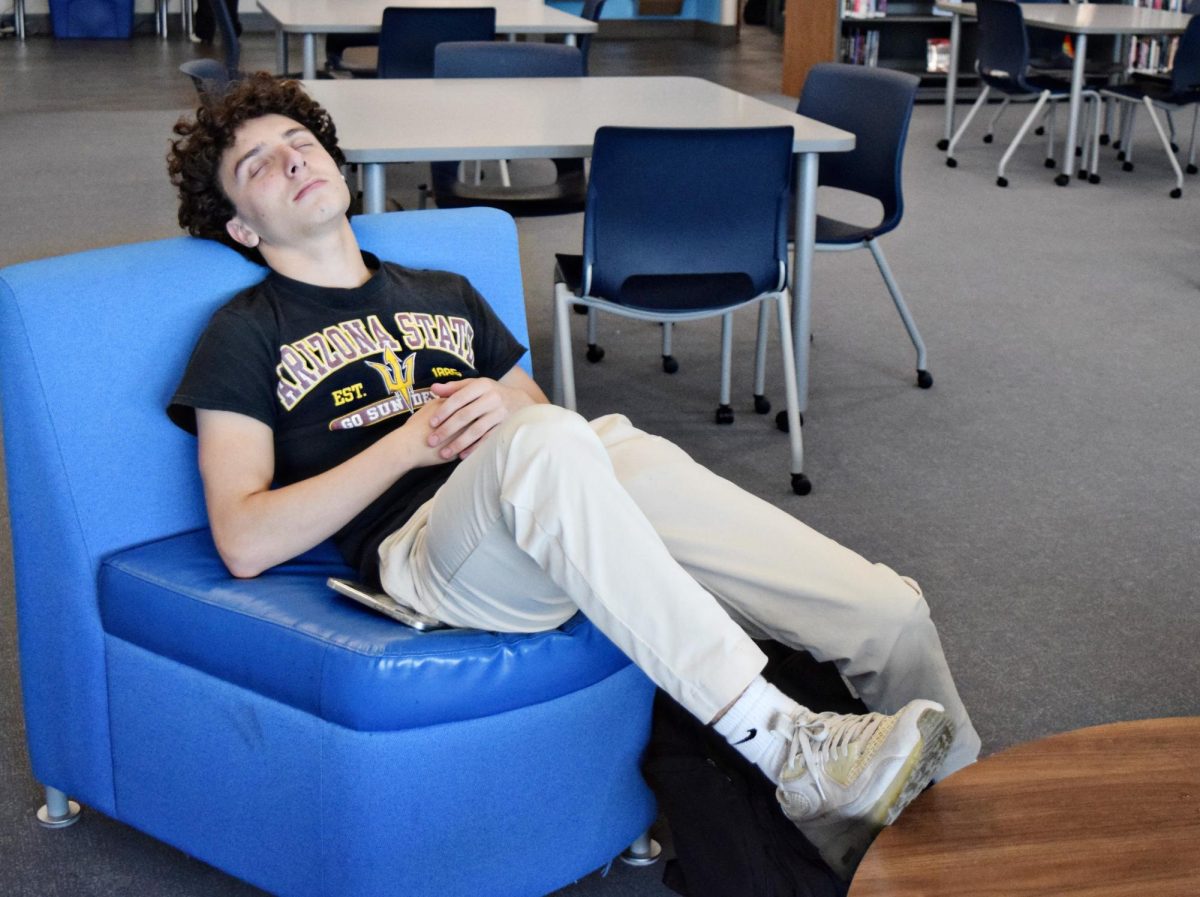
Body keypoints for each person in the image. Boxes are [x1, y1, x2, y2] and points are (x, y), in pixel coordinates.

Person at [165, 73, 981, 880]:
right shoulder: (244, 333)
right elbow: (242, 537)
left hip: (539, 499)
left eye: (301, 143)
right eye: (259, 164)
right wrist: (412, 442)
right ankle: (785, 742)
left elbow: (544, 428)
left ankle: (973, 823)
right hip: (424, 553)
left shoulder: (444, 293)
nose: (293, 161)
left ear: (338, 166)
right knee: (555, 440)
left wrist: (506, 406)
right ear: (241, 227)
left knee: (884, 607)